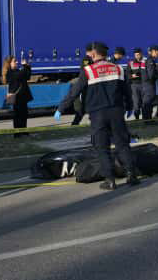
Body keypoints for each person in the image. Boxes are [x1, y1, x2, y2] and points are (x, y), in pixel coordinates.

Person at [56, 41, 139, 190]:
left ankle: (110, 180)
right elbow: (127, 91)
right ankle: (131, 175)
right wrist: (130, 106)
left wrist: (61, 108)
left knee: (102, 148)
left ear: (94, 54)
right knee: (122, 144)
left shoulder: (88, 71)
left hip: (97, 114)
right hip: (116, 112)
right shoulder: (118, 68)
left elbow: (75, 92)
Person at [3, 55, 33, 137]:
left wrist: (27, 67)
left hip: (23, 97)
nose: (16, 62)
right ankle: (17, 133)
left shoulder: (17, 70)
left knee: (24, 114)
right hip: (17, 97)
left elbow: (27, 76)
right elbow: (19, 75)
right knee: (18, 115)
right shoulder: (10, 72)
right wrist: (25, 66)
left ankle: (24, 130)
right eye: (14, 61)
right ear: (9, 64)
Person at [71, 57, 91, 126]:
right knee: (82, 108)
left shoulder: (88, 59)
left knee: (85, 108)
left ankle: (75, 123)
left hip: (87, 86)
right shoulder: (87, 59)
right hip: (86, 85)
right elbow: (85, 71)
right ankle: (75, 123)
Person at [128, 48, 148, 119]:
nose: (137, 56)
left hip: (144, 84)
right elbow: (127, 74)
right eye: (136, 55)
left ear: (141, 54)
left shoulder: (146, 61)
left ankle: (145, 118)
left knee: (144, 102)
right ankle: (137, 118)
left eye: (138, 54)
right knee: (136, 102)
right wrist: (132, 76)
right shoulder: (131, 63)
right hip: (134, 85)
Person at [142, 46, 158, 120]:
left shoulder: (147, 59)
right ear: (154, 51)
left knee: (147, 101)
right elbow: (151, 74)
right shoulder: (150, 61)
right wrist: (157, 77)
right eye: (157, 52)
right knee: (149, 101)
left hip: (146, 84)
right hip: (149, 84)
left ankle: (146, 118)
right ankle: (148, 119)